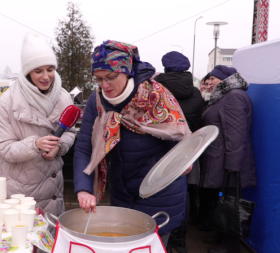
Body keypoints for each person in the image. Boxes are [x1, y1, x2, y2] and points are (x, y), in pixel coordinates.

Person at [73, 40, 191, 247]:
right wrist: (83, 189)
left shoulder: (156, 95)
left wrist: (184, 161)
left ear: (127, 72)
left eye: (111, 77)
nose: (105, 85)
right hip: (123, 191)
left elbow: (180, 138)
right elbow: (84, 147)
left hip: (160, 192)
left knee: (152, 246)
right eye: (99, 79)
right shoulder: (97, 100)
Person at [0, 32, 76, 216]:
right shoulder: (9, 101)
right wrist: (35, 144)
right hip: (20, 192)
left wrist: (59, 147)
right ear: (27, 72)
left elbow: (70, 132)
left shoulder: (63, 96)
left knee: (51, 238)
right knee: (24, 239)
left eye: (50, 69)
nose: (46, 76)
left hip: (53, 188)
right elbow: (4, 148)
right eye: (38, 71)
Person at [200, 65, 257, 253]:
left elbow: (236, 134)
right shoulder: (226, 95)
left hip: (229, 162)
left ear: (224, 80)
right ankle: (220, 235)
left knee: (231, 204)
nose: (210, 83)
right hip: (220, 159)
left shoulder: (233, 97)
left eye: (213, 79)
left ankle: (230, 247)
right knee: (222, 199)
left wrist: (232, 165)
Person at [155, 51, 204, 253]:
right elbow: (198, 123)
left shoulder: (155, 88)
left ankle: (158, 236)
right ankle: (180, 239)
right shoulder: (195, 93)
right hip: (186, 151)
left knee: (158, 193)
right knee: (183, 193)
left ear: (165, 67)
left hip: (158, 150)